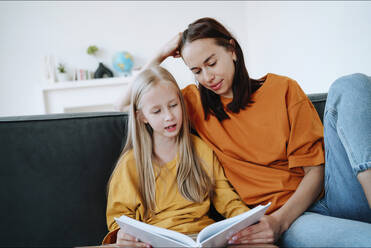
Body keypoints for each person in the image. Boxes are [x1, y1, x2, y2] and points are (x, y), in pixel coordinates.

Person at [117, 17, 371, 246]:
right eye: (196, 71)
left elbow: (315, 171)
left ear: (232, 49)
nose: (207, 77)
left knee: (351, 85)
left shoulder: (283, 89)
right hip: (295, 220)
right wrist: (160, 54)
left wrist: (279, 222)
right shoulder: (192, 105)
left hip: (333, 194)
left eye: (211, 62)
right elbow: (128, 104)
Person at [103, 65, 263, 247]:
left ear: (181, 102)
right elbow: (119, 219)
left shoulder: (200, 149)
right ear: (142, 117)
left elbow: (225, 198)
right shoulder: (131, 164)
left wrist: (247, 220)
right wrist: (123, 235)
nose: (169, 116)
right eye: (157, 111)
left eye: (173, 105)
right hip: (154, 242)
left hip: (201, 238)